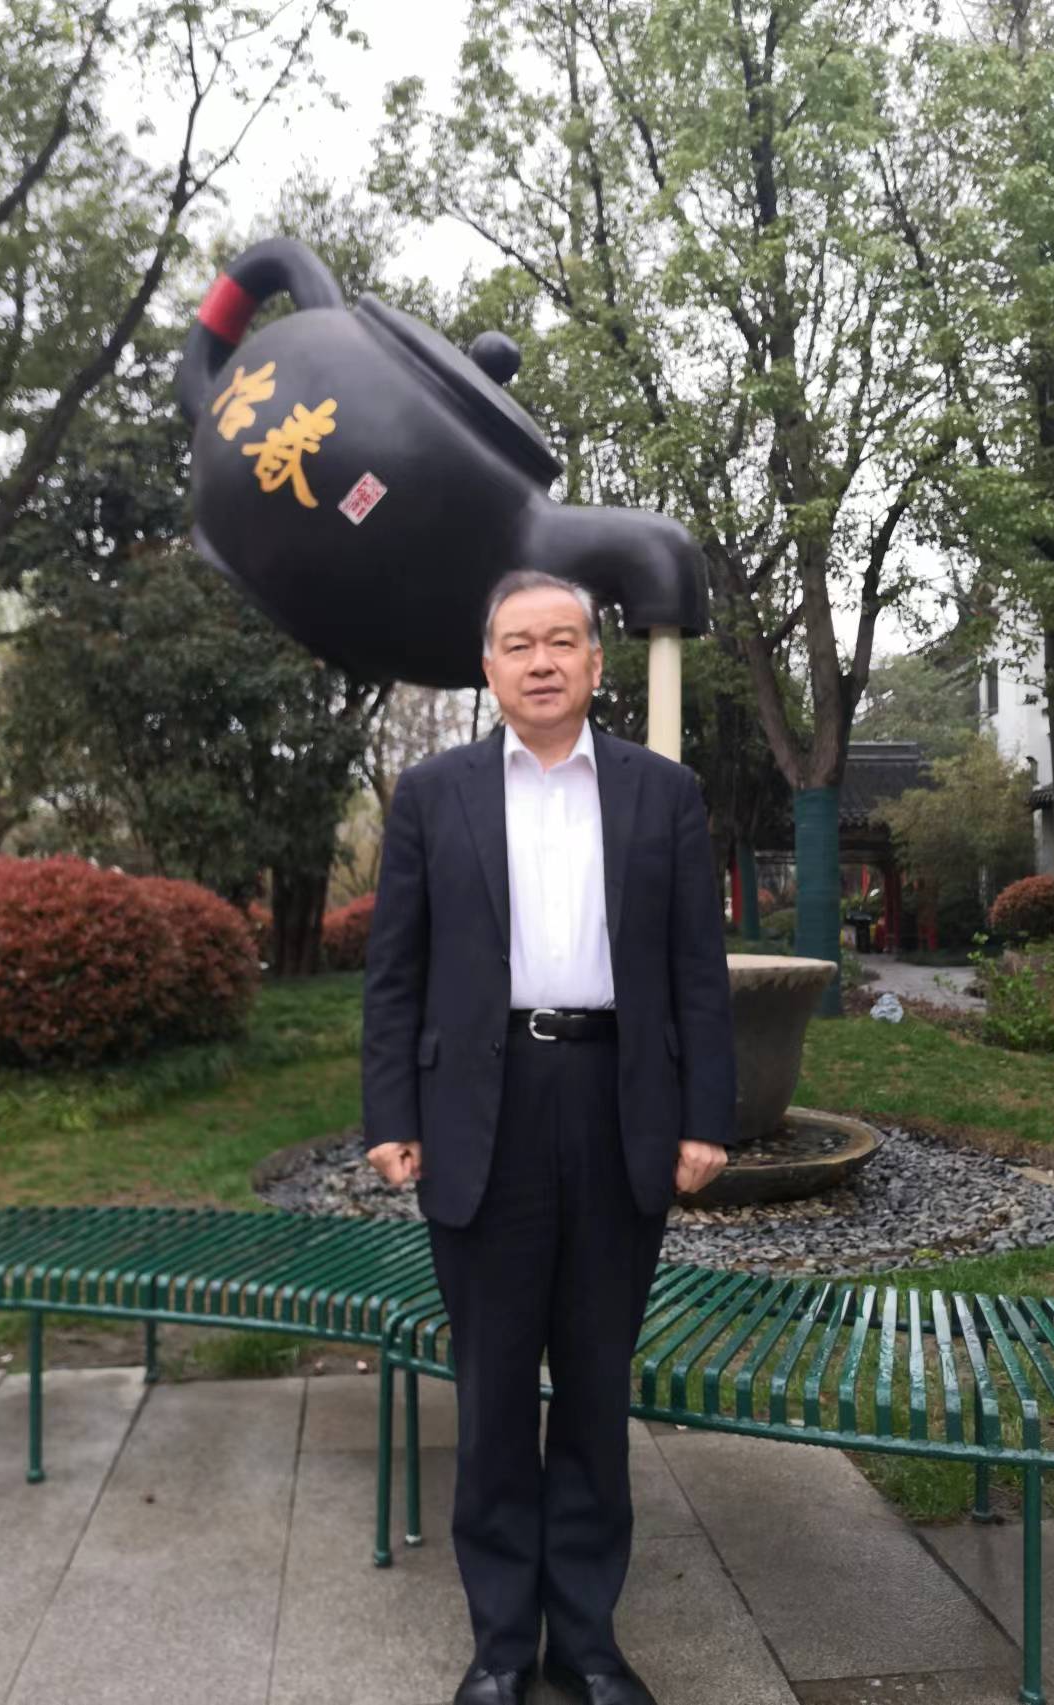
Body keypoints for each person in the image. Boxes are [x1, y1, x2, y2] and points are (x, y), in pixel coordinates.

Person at [362, 569, 739, 1705]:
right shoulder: (432, 795)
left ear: (594, 661)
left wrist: (704, 1117)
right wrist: (391, 1114)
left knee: (592, 1386)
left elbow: (697, 972)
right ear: (488, 666)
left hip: (617, 1099)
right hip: (482, 1111)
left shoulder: (661, 794)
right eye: (518, 643)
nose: (541, 661)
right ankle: (496, 1648)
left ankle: (584, 1642)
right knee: (489, 1393)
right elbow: (395, 974)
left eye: (562, 640)